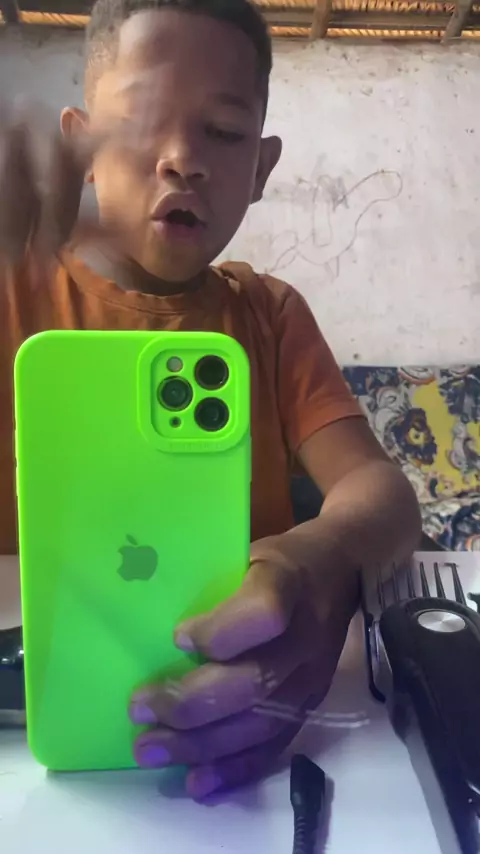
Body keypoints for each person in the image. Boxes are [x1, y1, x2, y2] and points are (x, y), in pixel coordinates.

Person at [0, 0, 421, 799]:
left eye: (223, 133)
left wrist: (326, 559)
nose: (181, 160)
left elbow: (384, 494)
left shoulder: (270, 317)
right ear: (80, 147)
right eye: (139, 124)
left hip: (247, 724)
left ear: (260, 170)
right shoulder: (12, 294)